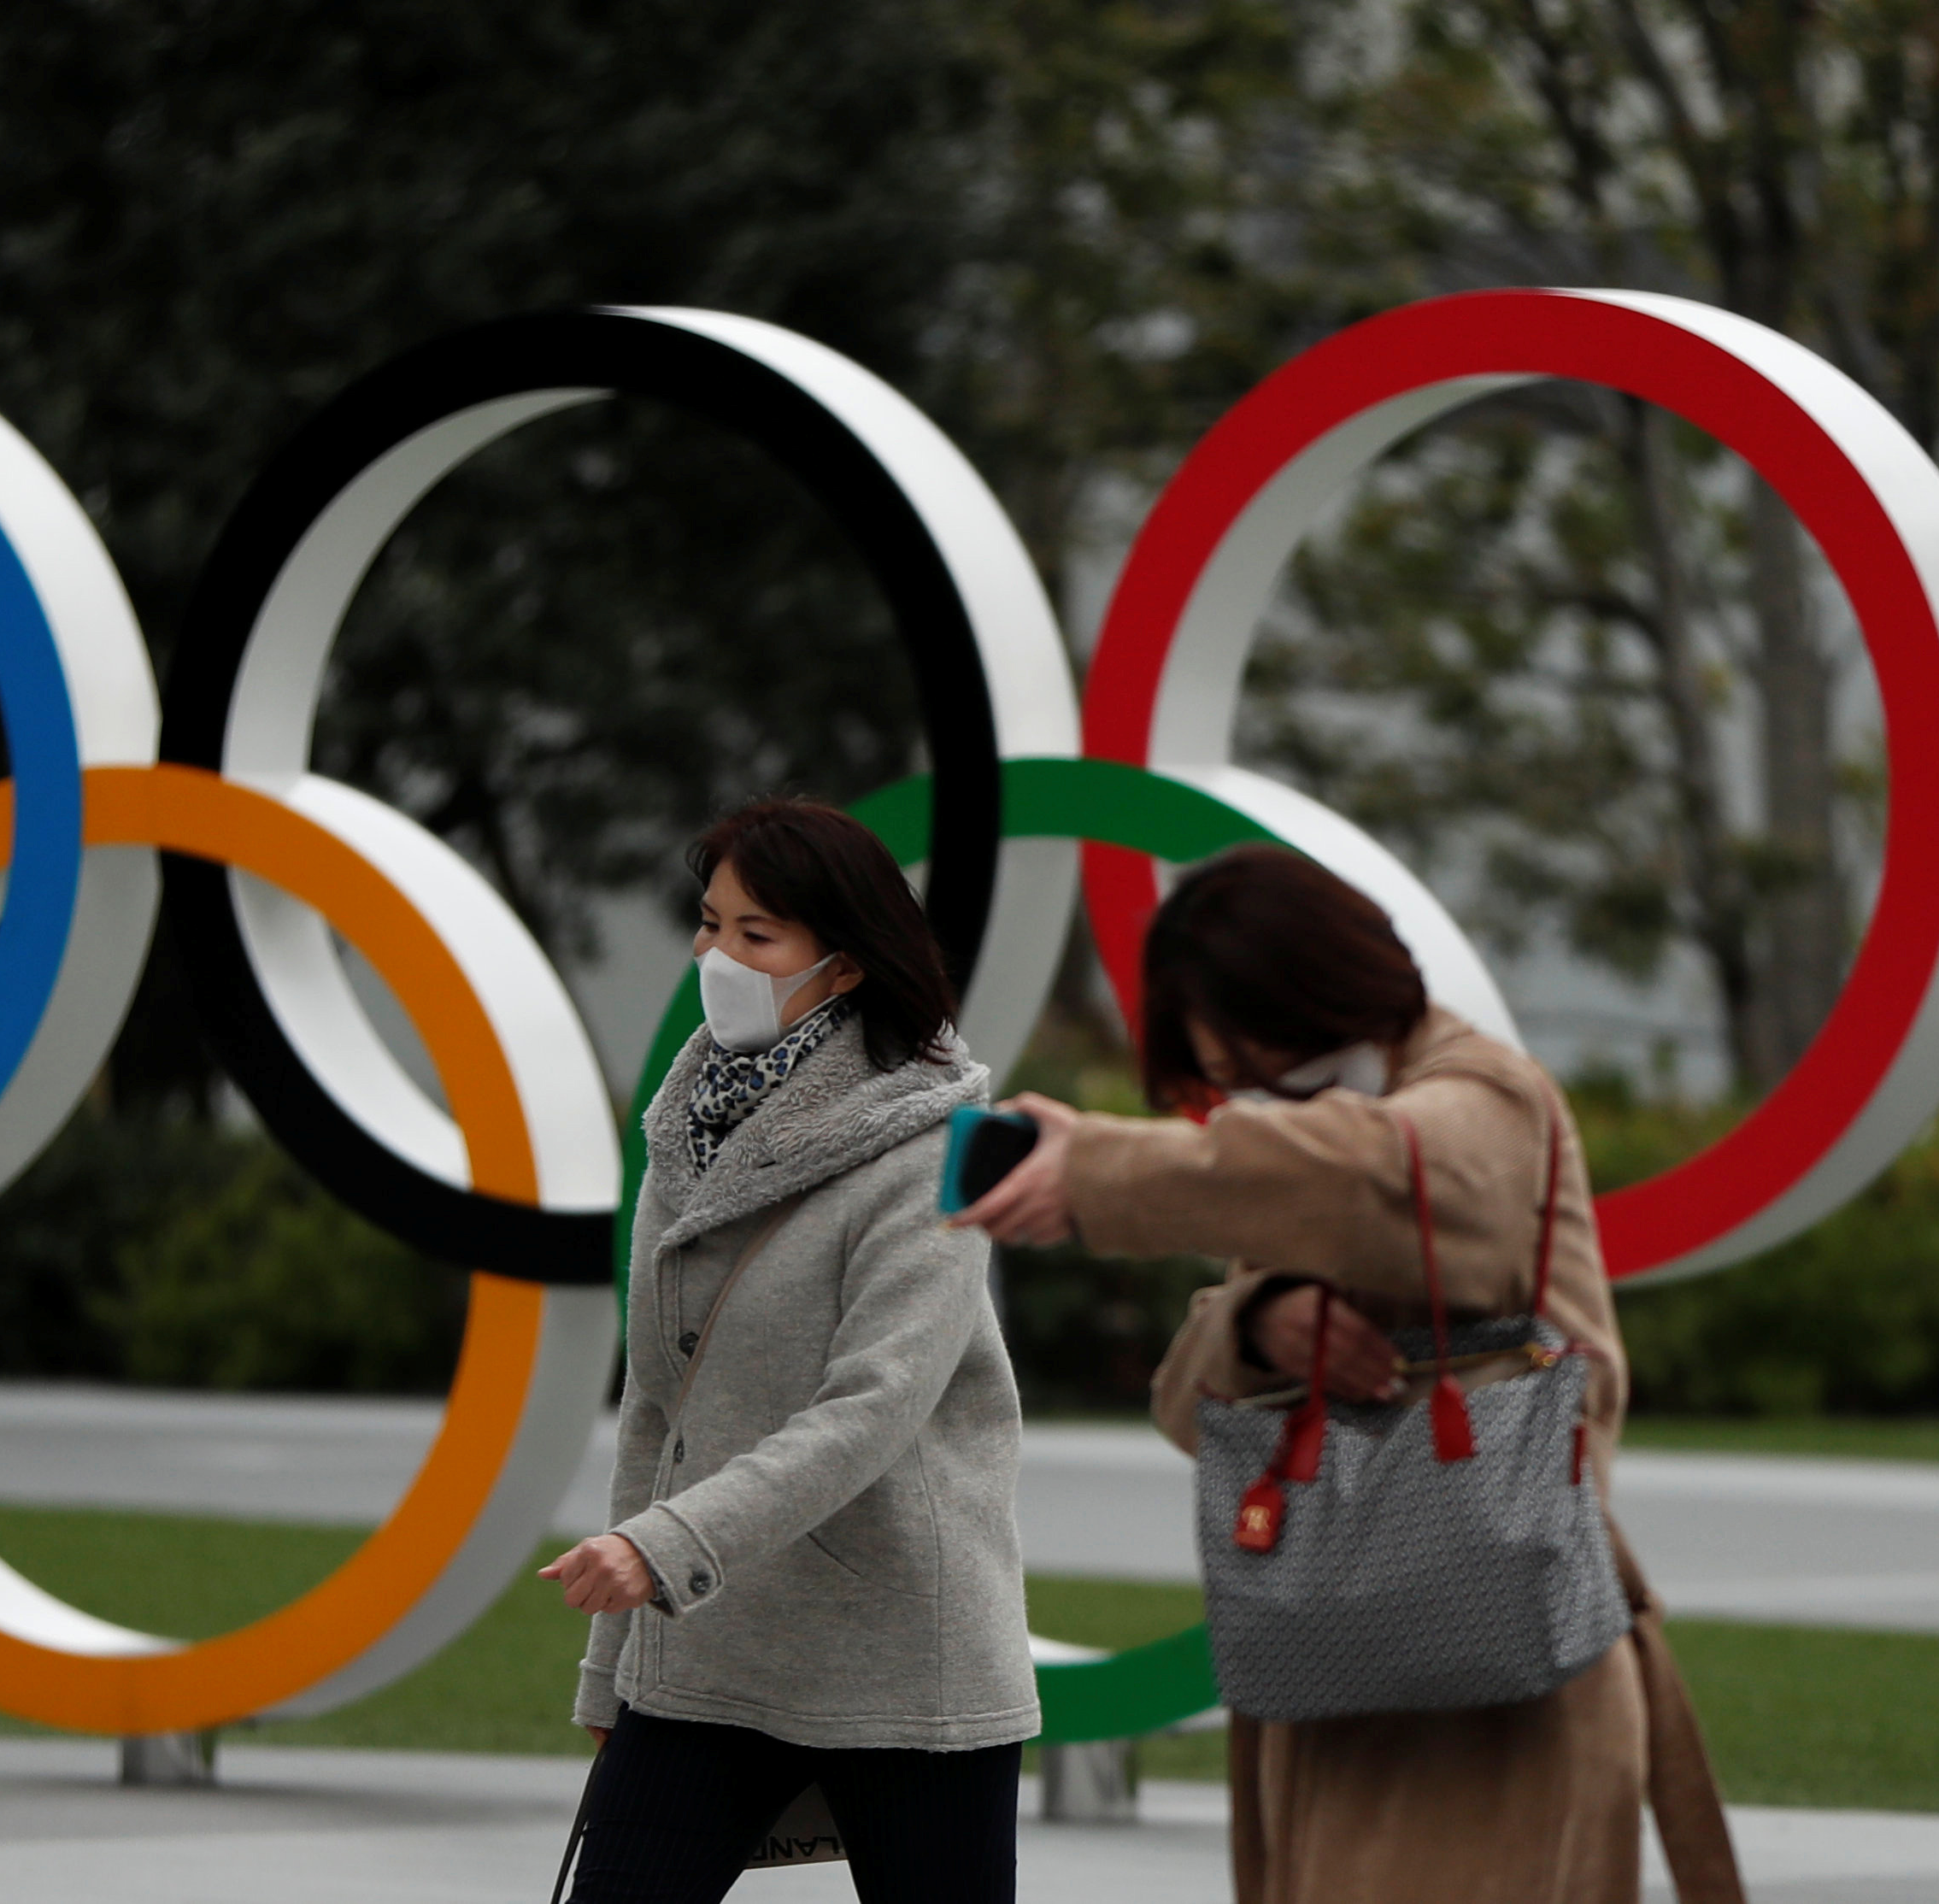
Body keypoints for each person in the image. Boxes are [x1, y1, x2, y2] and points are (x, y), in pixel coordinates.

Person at [953, 845, 1742, 1904]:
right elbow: (1187, 1398)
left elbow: (1380, 1173)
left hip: (1504, 1690)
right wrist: (1266, 1320)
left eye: (1250, 1059)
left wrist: (1098, 1169)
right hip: (1334, 1675)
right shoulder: (1298, 1159)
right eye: (1220, 1079)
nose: (1243, 1098)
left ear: (1323, 991)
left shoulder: (1482, 1102)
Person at [539, 796, 1037, 1904]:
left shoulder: (940, 1150)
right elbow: (658, 1405)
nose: (714, 956)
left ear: (845, 964)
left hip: (904, 1657)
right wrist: (612, 1663)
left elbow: (872, 1406)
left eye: (754, 936)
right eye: (709, 923)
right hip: (707, 1643)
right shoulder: (686, 1133)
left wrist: (665, 1546)